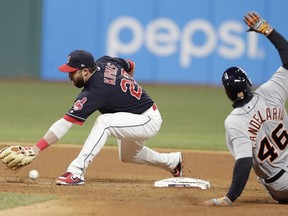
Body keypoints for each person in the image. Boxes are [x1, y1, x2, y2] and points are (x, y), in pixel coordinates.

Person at [0, 50, 183, 185]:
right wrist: (127, 89)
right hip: (132, 116)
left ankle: (76, 171)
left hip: (147, 119)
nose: (69, 76)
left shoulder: (95, 91)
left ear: (86, 71)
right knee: (128, 155)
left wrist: (36, 148)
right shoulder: (106, 61)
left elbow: (65, 123)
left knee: (104, 122)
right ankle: (173, 162)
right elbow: (130, 65)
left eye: (72, 72)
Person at [204, 11, 288, 206]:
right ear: (249, 83)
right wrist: (267, 30)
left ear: (228, 93)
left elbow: (244, 161)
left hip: (279, 185)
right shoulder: (270, 92)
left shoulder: (235, 121)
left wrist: (229, 198)